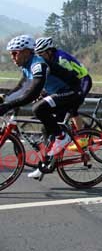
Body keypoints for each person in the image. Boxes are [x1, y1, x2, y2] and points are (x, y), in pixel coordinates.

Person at [0, 35, 83, 179]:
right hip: (58, 93)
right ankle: (45, 164)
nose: (12, 57)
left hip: (72, 91)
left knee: (39, 108)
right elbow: (22, 87)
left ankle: (63, 137)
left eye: (15, 53)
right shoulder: (27, 66)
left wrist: (9, 105)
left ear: (26, 52)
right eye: (11, 53)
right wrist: (4, 99)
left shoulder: (38, 64)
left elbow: (33, 92)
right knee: (46, 129)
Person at [34, 37, 92, 132]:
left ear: (49, 51)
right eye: (37, 54)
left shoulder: (61, 60)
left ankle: (83, 136)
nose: (39, 57)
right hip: (71, 83)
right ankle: (81, 126)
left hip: (83, 81)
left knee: (72, 109)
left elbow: (71, 80)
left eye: (41, 54)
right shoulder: (50, 59)